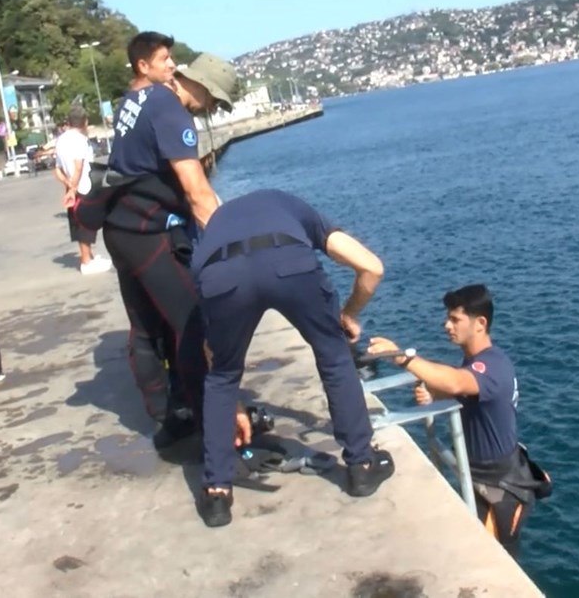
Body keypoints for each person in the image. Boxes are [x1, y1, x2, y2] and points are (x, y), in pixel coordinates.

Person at [191, 189, 396, 528]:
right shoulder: (292, 206)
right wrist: (348, 314)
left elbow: (211, 352)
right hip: (290, 263)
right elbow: (372, 267)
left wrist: (232, 396)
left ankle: (216, 493)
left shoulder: (212, 231)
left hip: (221, 278)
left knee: (221, 378)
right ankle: (361, 466)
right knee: (334, 355)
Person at [75, 34, 233, 449]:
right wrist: (229, 247)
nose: (211, 109)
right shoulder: (170, 108)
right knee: (194, 323)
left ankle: (168, 417)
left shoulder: (137, 99)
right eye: (213, 99)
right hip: (152, 232)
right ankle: (211, 424)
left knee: (145, 328)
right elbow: (196, 189)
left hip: (121, 231)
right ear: (195, 83)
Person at [366, 284, 551, 558]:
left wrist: (402, 358)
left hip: (500, 487)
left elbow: (455, 382)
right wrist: (433, 393)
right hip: (478, 476)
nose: (447, 326)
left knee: (492, 560)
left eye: (455, 319)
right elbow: (462, 391)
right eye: (447, 318)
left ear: (480, 324)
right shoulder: (477, 365)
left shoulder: (491, 366)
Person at [53, 106, 111, 275]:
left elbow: (57, 169)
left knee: (77, 221)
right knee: (86, 223)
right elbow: (79, 166)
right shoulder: (80, 140)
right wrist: (74, 187)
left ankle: (89, 257)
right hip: (84, 185)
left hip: (71, 187)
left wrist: (68, 185)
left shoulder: (61, 140)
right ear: (85, 122)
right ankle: (86, 261)